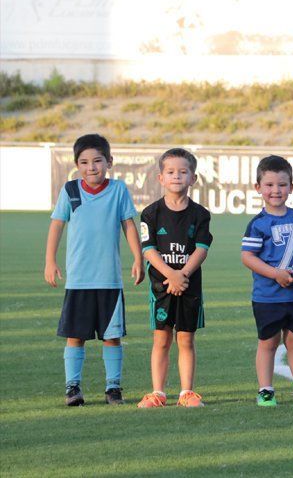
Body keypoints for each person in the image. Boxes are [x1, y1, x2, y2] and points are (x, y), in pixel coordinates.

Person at [44, 133, 144, 406]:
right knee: (75, 336)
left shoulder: (118, 190)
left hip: (109, 280)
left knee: (112, 337)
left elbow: (129, 225)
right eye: (84, 162)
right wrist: (50, 260)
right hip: (78, 279)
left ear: (109, 162)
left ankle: (113, 388)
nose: (91, 167)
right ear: (77, 165)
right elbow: (57, 225)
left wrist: (137, 258)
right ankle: (72, 388)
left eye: (97, 161)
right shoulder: (70, 190)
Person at [241, 156, 293, 407]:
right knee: (269, 342)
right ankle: (266, 390)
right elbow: (248, 257)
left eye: (282, 185)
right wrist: (274, 273)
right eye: (270, 185)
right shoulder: (258, 224)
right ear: (258, 188)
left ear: (291, 187)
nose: (276, 190)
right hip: (268, 296)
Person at [137, 148, 212, 409]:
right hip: (161, 286)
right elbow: (149, 250)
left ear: (193, 178)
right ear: (161, 178)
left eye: (183, 171)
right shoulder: (150, 213)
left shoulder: (200, 214)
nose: (176, 176)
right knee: (161, 338)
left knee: (186, 339)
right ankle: (157, 393)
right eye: (170, 172)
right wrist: (171, 275)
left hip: (189, 285)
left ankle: (187, 393)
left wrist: (183, 275)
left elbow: (201, 249)